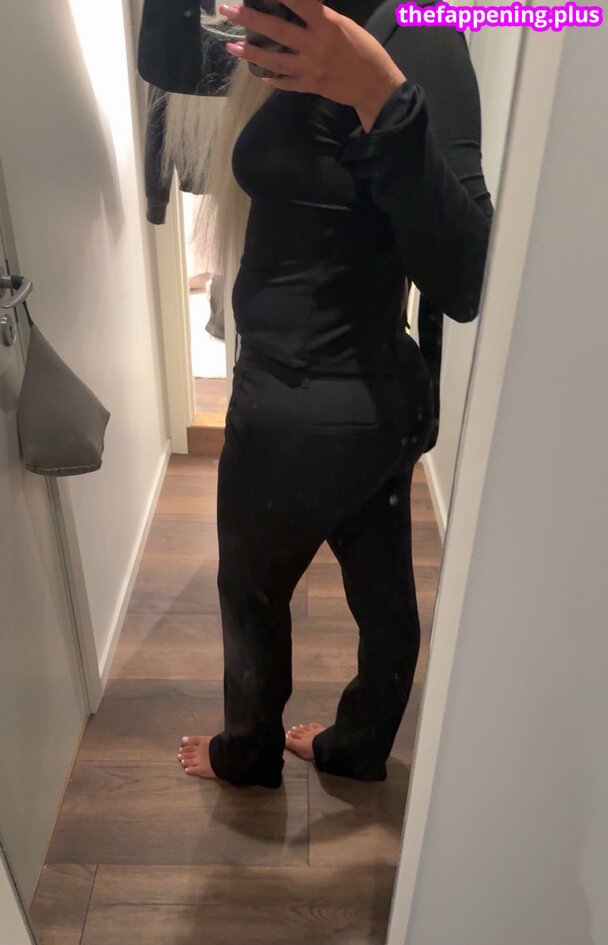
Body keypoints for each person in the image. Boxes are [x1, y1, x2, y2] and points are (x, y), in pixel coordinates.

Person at [138, 0, 494, 787]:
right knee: (382, 589)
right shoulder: (301, 20)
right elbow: (168, 61)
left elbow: (467, 277)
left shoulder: (420, 36)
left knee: (251, 593)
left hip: (295, 407)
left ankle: (246, 756)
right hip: (374, 400)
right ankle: (357, 749)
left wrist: (380, 95)